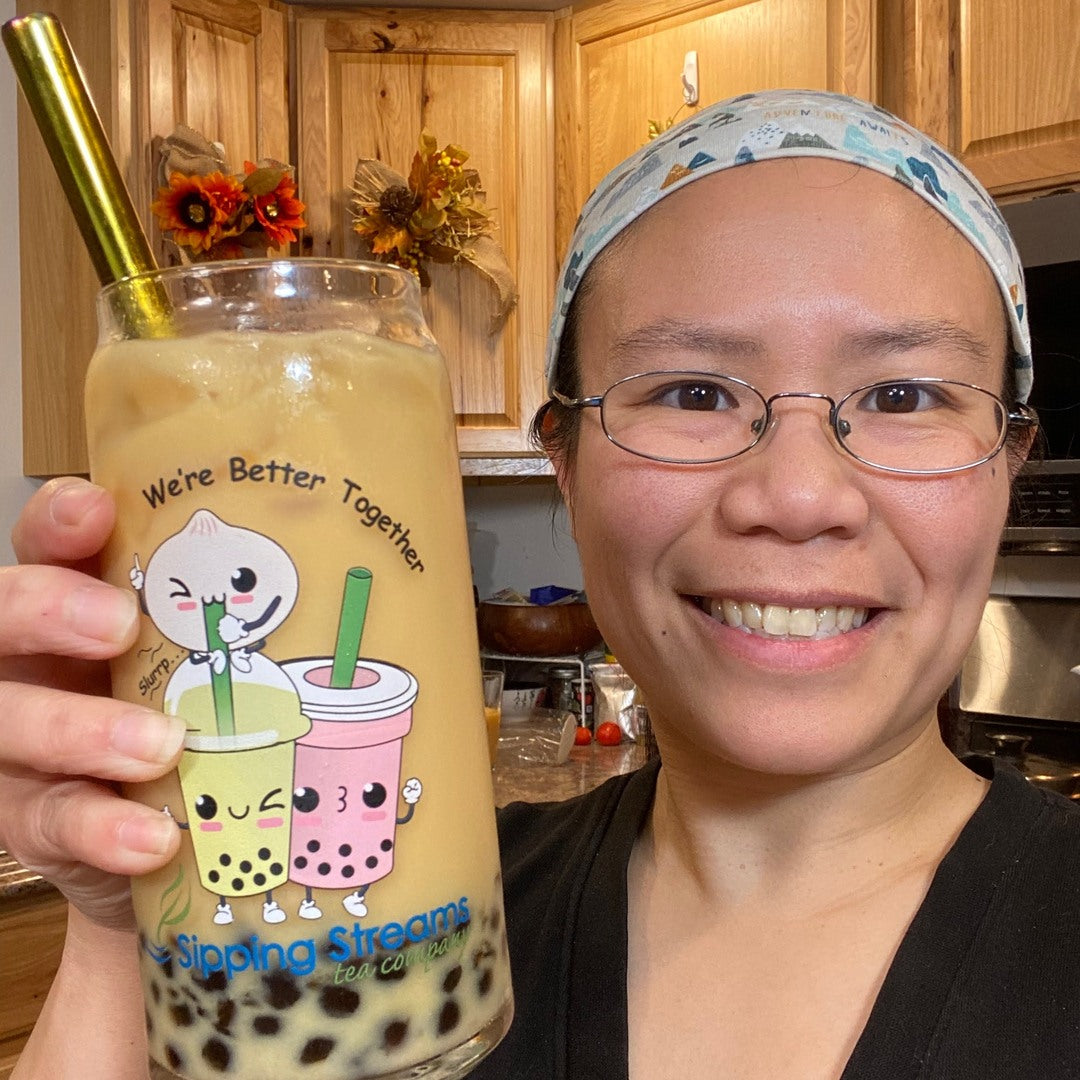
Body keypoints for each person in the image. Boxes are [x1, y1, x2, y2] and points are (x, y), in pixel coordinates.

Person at [1, 87, 1077, 1080]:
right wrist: (119, 915)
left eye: (904, 394)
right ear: (563, 457)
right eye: (694, 389)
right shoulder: (411, 940)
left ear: (1008, 458)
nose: (797, 497)